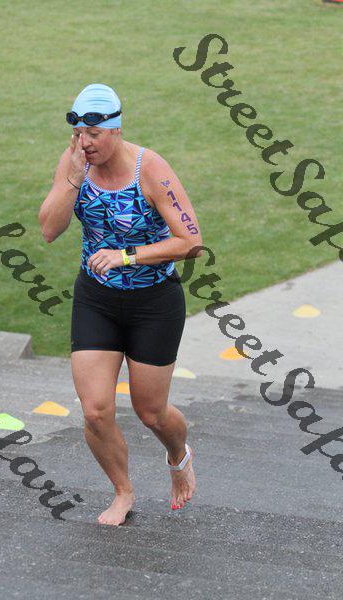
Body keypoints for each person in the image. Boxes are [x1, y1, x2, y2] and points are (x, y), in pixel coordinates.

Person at [39, 83, 203, 526]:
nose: (84, 143)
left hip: (154, 303)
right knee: (95, 410)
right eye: (78, 133)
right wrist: (72, 179)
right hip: (97, 300)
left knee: (151, 412)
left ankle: (178, 455)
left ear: (115, 130)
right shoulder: (75, 162)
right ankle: (123, 491)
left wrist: (127, 256)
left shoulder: (151, 170)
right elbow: (49, 229)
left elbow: (190, 241)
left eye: (93, 134)